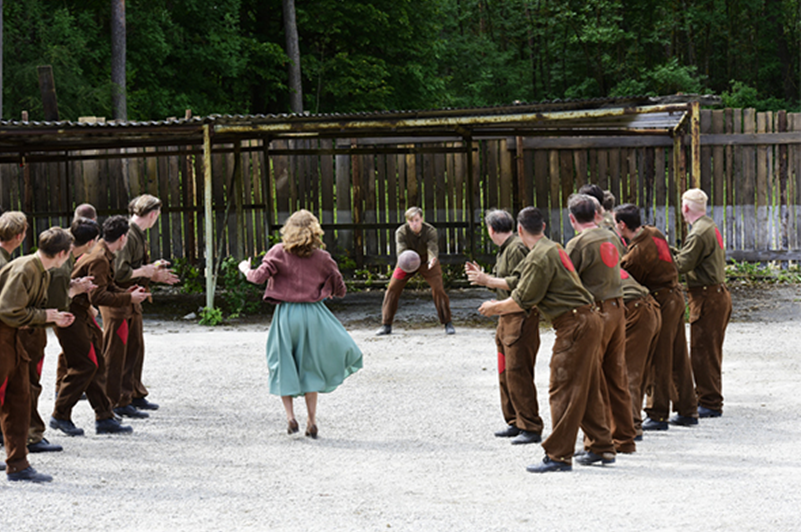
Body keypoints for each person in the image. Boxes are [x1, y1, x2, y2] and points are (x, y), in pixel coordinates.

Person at [478, 207, 615, 473]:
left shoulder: (539, 257)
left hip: (574, 324)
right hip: (587, 320)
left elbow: (521, 299)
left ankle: (558, 455)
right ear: (543, 226)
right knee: (587, 386)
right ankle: (601, 446)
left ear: (520, 230)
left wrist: (493, 307)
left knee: (562, 387)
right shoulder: (553, 247)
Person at [239, 210, 363, 439]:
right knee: (310, 366)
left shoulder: (277, 252)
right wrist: (327, 290)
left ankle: (290, 418)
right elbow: (341, 289)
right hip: (313, 315)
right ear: (314, 230)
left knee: (282, 361)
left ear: (289, 229)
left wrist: (245, 268)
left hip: (286, 315)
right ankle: (312, 420)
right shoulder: (322, 257)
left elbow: (257, 277)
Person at [613, 203, 699, 429]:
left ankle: (658, 413)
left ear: (622, 225)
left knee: (659, 358)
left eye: (615, 223)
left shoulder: (636, 254)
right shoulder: (653, 232)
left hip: (662, 301)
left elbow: (628, 279)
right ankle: (688, 409)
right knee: (679, 354)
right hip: (675, 296)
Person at [0, 227, 75, 482]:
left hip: (14, 341)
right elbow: (8, 311)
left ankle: (18, 465)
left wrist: (52, 318)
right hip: (2, 339)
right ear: (62, 254)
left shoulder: (40, 270)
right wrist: (46, 316)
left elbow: (28, 310)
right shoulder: (25, 269)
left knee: (20, 401)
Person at [50, 216, 135, 436]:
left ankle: (104, 415)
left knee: (95, 363)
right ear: (90, 242)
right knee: (86, 365)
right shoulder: (84, 258)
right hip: (69, 317)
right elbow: (56, 293)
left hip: (78, 313)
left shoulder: (71, 257)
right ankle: (60, 414)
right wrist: (128, 298)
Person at [565, 194, 637, 454]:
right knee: (616, 375)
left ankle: (597, 443)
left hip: (597, 313)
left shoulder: (578, 243)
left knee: (591, 377)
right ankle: (625, 438)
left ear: (572, 218)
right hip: (618, 308)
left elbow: (567, 278)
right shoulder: (611, 236)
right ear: (597, 214)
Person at [465, 209, 542, 445]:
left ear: (490, 229)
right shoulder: (507, 249)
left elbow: (522, 284)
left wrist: (487, 280)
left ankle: (530, 425)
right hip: (506, 317)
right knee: (505, 371)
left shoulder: (516, 248)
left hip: (519, 317)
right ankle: (515, 421)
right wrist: (484, 278)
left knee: (518, 372)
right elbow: (505, 284)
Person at [107, 194, 177, 416]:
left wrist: (153, 272)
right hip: (120, 299)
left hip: (133, 297)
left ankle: (134, 394)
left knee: (135, 348)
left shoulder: (135, 233)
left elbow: (134, 267)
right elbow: (119, 271)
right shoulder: (127, 235)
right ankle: (119, 400)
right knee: (121, 350)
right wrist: (145, 272)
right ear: (154, 214)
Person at [673, 189, 732, 418]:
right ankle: (709, 397)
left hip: (707, 297)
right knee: (711, 349)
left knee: (702, 351)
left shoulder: (698, 233)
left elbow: (682, 265)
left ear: (685, 208)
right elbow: (691, 256)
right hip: (717, 294)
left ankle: (709, 402)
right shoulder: (709, 226)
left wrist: (659, 257)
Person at [376, 207, 455, 336]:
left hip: (426, 261)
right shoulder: (401, 232)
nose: (414, 223)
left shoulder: (430, 231)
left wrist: (432, 259)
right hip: (407, 261)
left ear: (422, 219)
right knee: (392, 288)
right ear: (407, 221)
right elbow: (401, 250)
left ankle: (447, 323)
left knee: (438, 289)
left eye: (417, 220)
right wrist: (404, 261)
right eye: (411, 220)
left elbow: (432, 248)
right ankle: (386, 324)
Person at [620, 269, 661, 439]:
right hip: (649, 306)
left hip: (636, 309)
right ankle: (632, 423)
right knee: (640, 370)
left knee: (629, 371)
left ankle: (631, 426)